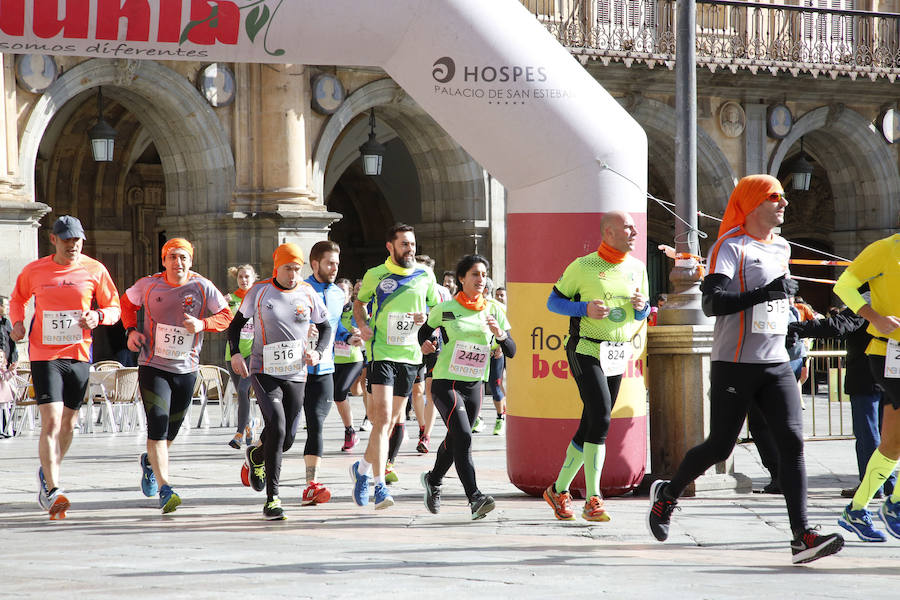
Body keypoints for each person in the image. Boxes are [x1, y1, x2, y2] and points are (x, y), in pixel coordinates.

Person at [646, 175, 844, 564]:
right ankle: (667, 495)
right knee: (721, 444)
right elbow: (713, 304)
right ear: (752, 204)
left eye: (784, 197)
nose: (784, 203)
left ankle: (801, 536)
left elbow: (775, 302)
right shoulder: (730, 247)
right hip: (734, 364)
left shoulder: (782, 247)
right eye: (775, 198)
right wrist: (766, 294)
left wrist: (787, 319)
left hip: (775, 362)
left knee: (793, 444)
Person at [10, 216, 121, 518]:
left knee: (69, 424)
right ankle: (52, 489)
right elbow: (17, 298)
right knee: (52, 421)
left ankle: (48, 473)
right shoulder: (35, 270)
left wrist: (98, 317)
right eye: (67, 239)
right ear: (54, 240)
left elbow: (114, 307)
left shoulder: (94, 270)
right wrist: (18, 323)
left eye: (77, 240)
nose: (73, 245)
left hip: (79, 354)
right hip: (44, 354)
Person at [542, 211, 649, 523]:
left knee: (592, 422)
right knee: (601, 416)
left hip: (617, 352)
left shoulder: (637, 267)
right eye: (628, 227)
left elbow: (641, 313)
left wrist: (642, 309)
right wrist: (583, 308)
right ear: (609, 232)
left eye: (634, 227)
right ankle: (593, 499)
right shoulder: (582, 266)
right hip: (585, 347)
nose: (635, 232)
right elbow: (553, 302)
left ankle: (558, 490)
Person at [122, 238, 232, 514]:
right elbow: (126, 303)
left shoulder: (203, 286)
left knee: (171, 431)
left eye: (183, 257)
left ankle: (150, 463)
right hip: (153, 366)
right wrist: (130, 331)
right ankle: (165, 488)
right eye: (172, 257)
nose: (178, 262)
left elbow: (226, 315)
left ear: (191, 261)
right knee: (157, 426)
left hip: (186, 370)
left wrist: (203, 323)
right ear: (164, 260)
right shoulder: (148, 285)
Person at [229, 243, 332, 520]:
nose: (293, 274)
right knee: (276, 424)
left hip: (297, 373)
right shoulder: (260, 291)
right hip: (264, 370)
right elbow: (235, 325)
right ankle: (273, 499)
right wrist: (237, 353)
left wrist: (318, 352)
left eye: (298, 269)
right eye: (288, 268)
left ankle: (257, 456)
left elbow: (325, 327)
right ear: (277, 267)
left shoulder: (308, 292)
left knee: (285, 440)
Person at [418, 254, 515, 519]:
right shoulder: (445, 309)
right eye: (475, 274)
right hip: (445, 382)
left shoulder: (494, 309)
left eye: (484, 275)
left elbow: (512, 350)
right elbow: (424, 333)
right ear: (461, 279)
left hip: (474, 386)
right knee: (464, 436)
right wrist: (426, 347)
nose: (480, 279)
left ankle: (433, 480)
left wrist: (500, 336)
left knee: (456, 438)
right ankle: (474, 497)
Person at [350, 223, 439, 509]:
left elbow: (435, 311)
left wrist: (426, 321)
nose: (410, 249)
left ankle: (362, 469)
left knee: (387, 424)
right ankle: (379, 487)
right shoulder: (376, 274)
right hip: (382, 354)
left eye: (412, 244)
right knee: (383, 417)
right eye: (404, 244)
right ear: (391, 246)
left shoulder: (425, 274)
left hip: (411, 357)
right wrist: (362, 326)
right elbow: (359, 304)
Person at [787, 293, 897, 503]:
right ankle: (887, 481)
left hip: (867, 376)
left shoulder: (867, 302)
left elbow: (838, 325)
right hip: (890, 375)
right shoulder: (890, 297)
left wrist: (799, 328)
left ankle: (872, 483)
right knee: (886, 434)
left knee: (868, 434)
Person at [832, 233, 900, 541]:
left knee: (892, 443)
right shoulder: (885, 249)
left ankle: (858, 509)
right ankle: (895, 504)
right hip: (889, 353)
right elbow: (844, 285)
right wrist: (874, 317)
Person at [302, 241, 357, 505]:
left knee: (316, 425)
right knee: (286, 432)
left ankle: (311, 484)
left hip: (323, 368)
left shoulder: (337, 294)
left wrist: (349, 336)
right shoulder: (299, 289)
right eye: (329, 263)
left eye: (337, 263)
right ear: (315, 264)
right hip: (294, 370)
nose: (335, 268)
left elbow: (334, 327)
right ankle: (257, 455)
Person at [225, 264, 258, 450]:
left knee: (245, 390)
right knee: (241, 394)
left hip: (252, 353)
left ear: (254, 278)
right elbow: (223, 323)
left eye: (247, 277)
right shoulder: (230, 300)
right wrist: (222, 305)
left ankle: (238, 434)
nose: (244, 280)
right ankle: (250, 424)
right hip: (232, 353)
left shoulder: (258, 298)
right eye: (240, 277)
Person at [333, 277, 364, 451]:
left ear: (350, 294)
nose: (339, 295)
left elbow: (361, 329)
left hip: (353, 360)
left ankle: (350, 430)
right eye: (336, 291)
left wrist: (358, 332)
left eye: (343, 291)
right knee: (338, 396)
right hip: (333, 360)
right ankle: (350, 430)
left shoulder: (354, 310)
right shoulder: (330, 311)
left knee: (339, 393)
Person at [489, 285, 508, 435]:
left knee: (496, 385)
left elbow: (507, 330)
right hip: (479, 353)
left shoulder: (499, 308)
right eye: (498, 295)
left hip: (497, 352)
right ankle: (477, 419)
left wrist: (500, 347)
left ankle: (500, 418)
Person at [0, 295, 18, 438]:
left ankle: (8, 427)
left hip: (7, 366)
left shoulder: (7, 322)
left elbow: (11, 343)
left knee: (8, 397)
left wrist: (14, 359)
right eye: (5, 305)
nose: (7, 308)